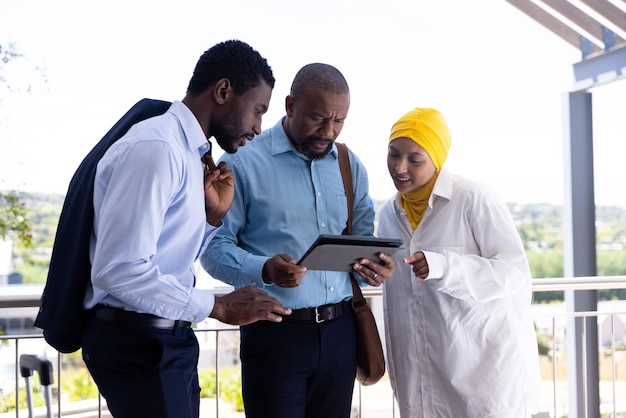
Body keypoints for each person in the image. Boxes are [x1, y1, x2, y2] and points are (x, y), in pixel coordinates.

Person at [79, 40, 292, 418]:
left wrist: (212, 217)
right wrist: (219, 305)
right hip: (141, 344)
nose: (259, 128)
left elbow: (166, 254)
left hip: (161, 338)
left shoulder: (186, 152)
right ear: (223, 91)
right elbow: (119, 270)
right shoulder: (157, 147)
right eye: (258, 110)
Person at [200, 63, 396, 418]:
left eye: (339, 121)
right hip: (274, 334)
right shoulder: (242, 162)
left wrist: (376, 267)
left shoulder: (349, 165)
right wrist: (265, 269)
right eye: (318, 118)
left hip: (341, 333)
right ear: (290, 106)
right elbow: (214, 250)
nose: (329, 131)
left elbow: (364, 242)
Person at [377, 107, 540, 418]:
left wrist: (444, 267)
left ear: (437, 159)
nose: (400, 167)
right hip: (420, 378)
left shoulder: (473, 198)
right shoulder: (388, 214)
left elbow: (513, 273)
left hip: (484, 377)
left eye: (415, 159)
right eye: (393, 154)